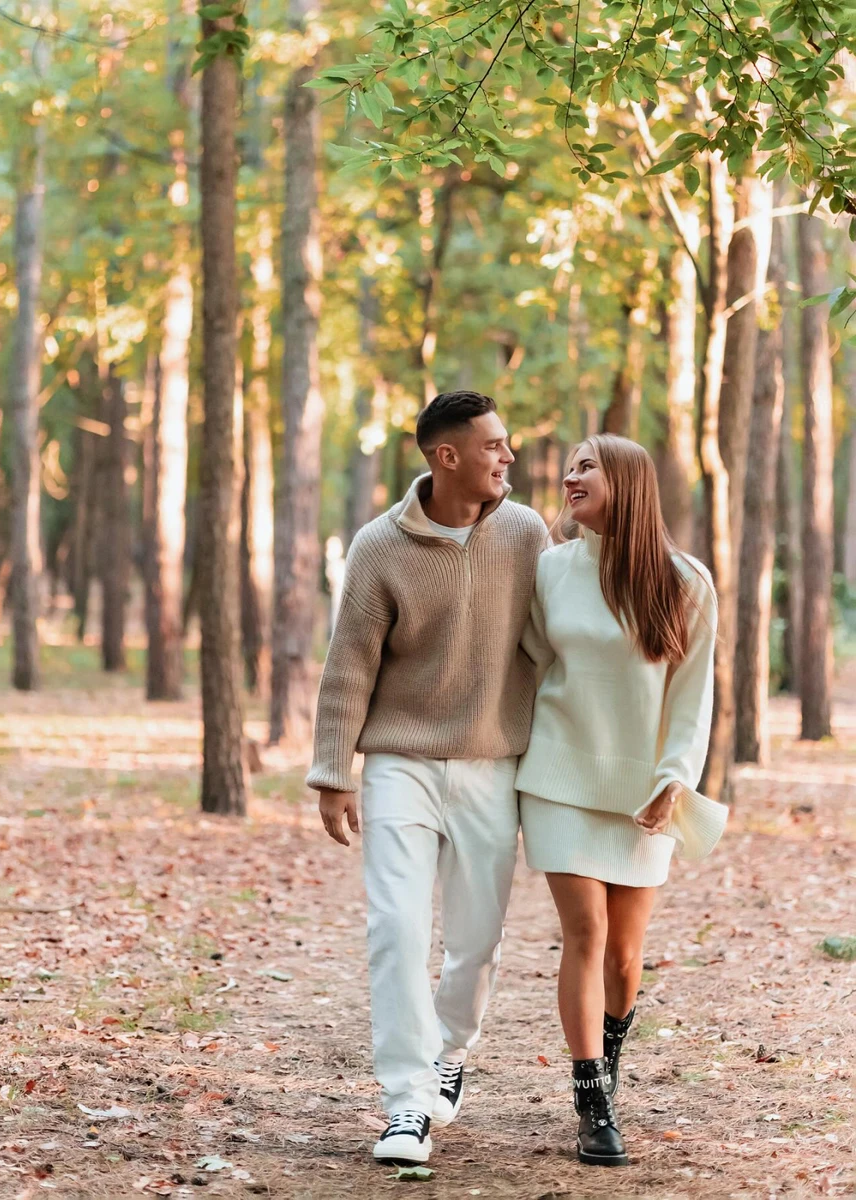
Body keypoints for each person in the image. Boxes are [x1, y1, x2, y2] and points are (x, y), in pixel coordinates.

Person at [306, 391, 548, 1166]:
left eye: (506, 444)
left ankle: (450, 1049)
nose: (507, 457)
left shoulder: (525, 533)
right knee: (397, 932)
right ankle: (406, 1105)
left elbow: (554, 643)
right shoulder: (380, 547)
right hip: (401, 763)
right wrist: (332, 771)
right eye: (492, 446)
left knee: (475, 942)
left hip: (492, 763)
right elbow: (349, 664)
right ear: (446, 457)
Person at [516, 433, 727, 1168]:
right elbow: (533, 666)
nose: (570, 477)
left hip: (645, 790)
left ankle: (608, 1064)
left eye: (586, 467)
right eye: (569, 467)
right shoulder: (548, 571)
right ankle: (592, 1101)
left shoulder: (685, 580)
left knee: (627, 956)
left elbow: (692, 698)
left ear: (628, 481)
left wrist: (675, 779)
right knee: (585, 933)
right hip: (558, 778)